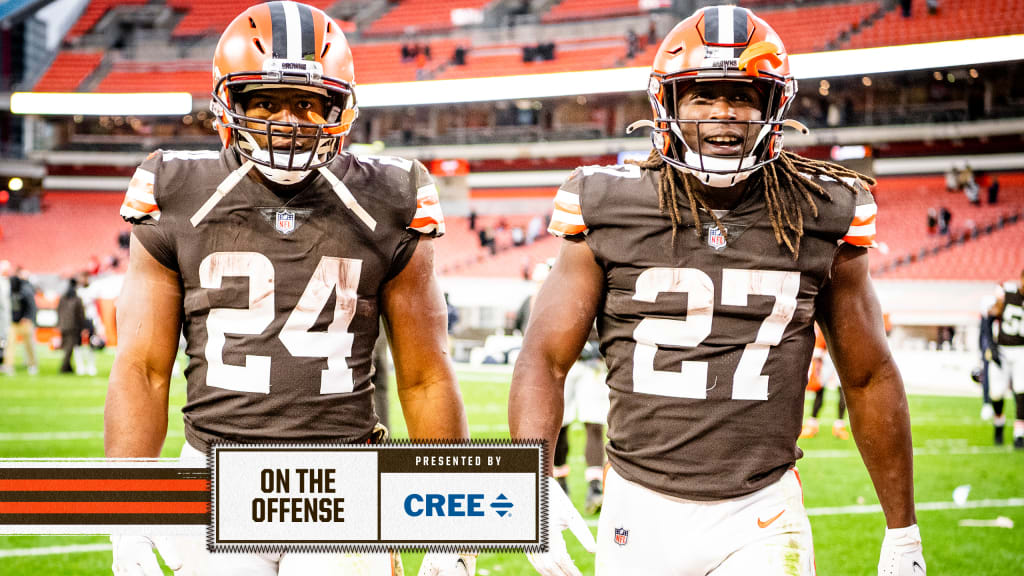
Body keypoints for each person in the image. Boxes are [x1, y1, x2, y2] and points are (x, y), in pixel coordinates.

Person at [509, 6, 924, 576]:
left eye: (742, 95)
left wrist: (903, 531)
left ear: (773, 106)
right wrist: (532, 485)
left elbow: (867, 374)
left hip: (760, 509)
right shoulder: (608, 202)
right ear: (668, 104)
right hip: (637, 504)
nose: (722, 114)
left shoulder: (824, 210)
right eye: (702, 96)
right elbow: (545, 358)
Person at [105, 3, 472, 575]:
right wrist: (126, 515)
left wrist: (454, 530)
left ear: (338, 108)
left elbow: (425, 375)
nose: (287, 120)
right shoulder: (175, 189)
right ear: (230, 105)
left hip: (341, 479)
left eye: (306, 102)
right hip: (213, 472)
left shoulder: (391, 196)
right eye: (266, 101)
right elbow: (142, 368)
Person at [986, 269, 1024, 448]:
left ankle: (1019, 434)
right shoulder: (1008, 293)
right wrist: (990, 345)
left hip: (1022, 350)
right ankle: (999, 425)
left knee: (1021, 392)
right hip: (1002, 349)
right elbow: (990, 315)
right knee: (996, 393)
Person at [800, 324, 849, 440]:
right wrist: (818, 356)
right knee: (819, 389)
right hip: (826, 356)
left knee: (842, 392)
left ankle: (839, 426)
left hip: (842, 356)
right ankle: (812, 424)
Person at [3, 266, 38, 376]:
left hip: (25, 322)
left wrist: (28, 317)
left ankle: (32, 365)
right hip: (14, 323)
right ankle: (8, 365)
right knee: (10, 345)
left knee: (29, 345)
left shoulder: (26, 290)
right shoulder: (9, 291)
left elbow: (32, 306)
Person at [57, 277, 88, 374]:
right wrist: (83, 327)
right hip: (73, 327)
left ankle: (68, 366)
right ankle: (64, 367)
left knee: (66, 347)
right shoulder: (77, 299)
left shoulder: (62, 298)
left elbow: (58, 311)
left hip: (63, 325)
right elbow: (80, 315)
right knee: (69, 348)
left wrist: (59, 324)